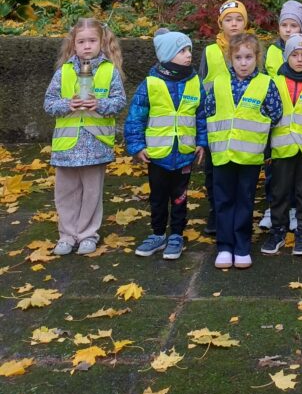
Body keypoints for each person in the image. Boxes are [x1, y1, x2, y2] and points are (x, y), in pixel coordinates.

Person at [44, 18, 126, 255]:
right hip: (67, 145)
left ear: (102, 42)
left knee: (92, 192)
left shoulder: (109, 71)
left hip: (96, 143)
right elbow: (49, 103)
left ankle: (88, 234)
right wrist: (67, 104)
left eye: (92, 41)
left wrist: (100, 104)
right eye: (81, 42)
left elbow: (120, 102)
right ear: (73, 44)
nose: (87, 46)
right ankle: (67, 235)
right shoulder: (63, 72)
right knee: (65, 192)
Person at [125, 30, 206, 260]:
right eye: (182, 51)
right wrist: (136, 146)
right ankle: (158, 233)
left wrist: (202, 142)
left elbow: (202, 115)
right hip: (157, 154)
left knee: (180, 196)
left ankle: (177, 235)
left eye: (189, 50)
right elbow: (135, 117)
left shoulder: (195, 82)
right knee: (158, 197)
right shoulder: (150, 83)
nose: (188, 55)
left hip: (184, 153)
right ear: (167, 55)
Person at [204, 33, 282, 268]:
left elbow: (275, 113)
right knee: (223, 200)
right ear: (231, 58)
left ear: (257, 58)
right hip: (222, 154)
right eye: (238, 57)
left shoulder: (266, 84)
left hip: (249, 156)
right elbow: (208, 110)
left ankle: (241, 246)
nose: (243, 62)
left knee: (245, 200)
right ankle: (224, 246)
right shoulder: (219, 82)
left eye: (248, 57)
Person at [261, 35, 302, 257]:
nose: (299, 59)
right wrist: (266, 151)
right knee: (279, 192)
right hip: (280, 149)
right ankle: (278, 231)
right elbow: (265, 118)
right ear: (286, 56)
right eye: (294, 55)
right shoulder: (274, 82)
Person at [198, 0, 251, 236]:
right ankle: (216, 212)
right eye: (228, 19)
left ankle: (240, 213)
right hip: (217, 126)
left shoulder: (252, 49)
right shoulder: (210, 52)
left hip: (244, 125)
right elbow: (201, 86)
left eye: (239, 19)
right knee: (214, 172)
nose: (234, 24)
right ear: (221, 23)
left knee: (242, 173)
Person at [260, 0, 302, 231]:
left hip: (298, 118)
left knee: (296, 171)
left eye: (293, 25)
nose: (288, 30)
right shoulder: (271, 51)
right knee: (273, 167)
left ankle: (294, 209)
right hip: (274, 119)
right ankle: (272, 207)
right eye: (284, 25)